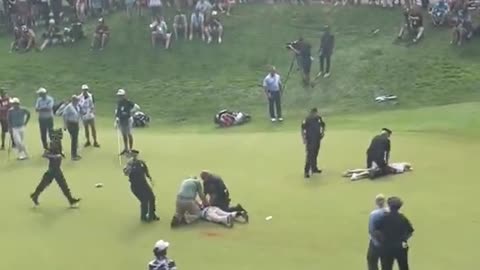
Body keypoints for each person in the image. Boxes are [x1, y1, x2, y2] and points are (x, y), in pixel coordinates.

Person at [30, 128, 81, 207]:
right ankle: (71, 200)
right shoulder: (54, 143)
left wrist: (60, 154)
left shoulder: (57, 142)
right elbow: (46, 154)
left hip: (55, 168)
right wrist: (56, 156)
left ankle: (35, 195)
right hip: (54, 169)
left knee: (45, 183)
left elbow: (56, 152)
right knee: (62, 185)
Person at [374, 196, 414, 270]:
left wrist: (381, 241)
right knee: (403, 266)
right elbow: (410, 231)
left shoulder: (384, 218)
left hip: (387, 246)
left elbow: (376, 231)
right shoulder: (402, 218)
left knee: (386, 267)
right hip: (401, 246)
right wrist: (404, 240)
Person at [123, 149, 159, 222]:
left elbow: (146, 171)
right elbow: (125, 173)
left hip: (144, 184)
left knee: (152, 198)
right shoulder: (129, 164)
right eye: (133, 155)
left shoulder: (141, 163)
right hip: (136, 187)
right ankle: (144, 217)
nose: (135, 156)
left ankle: (152, 214)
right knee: (144, 201)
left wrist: (150, 178)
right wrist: (129, 167)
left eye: (136, 155)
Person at [301, 108, 326, 178]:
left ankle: (314, 168)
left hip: (317, 139)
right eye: (316, 113)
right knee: (309, 155)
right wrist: (303, 138)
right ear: (312, 113)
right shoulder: (307, 119)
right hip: (310, 140)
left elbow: (323, 125)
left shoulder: (319, 118)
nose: (317, 114)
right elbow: (303, 128)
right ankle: (306, 171)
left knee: (315, 153)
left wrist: (323, 132)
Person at [367, 194, 388, 270]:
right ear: (384, 202)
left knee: (372, 261)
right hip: (388, 243)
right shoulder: (391, 212)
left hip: (376, 243)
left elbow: (371, 230)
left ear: (376, 202)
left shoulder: (374, 214)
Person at [115, 89, 138, 155]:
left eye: (121, 96)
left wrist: (131, 112)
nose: (120, 97)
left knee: (129, 134)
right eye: (119, 96)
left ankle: (130, 150)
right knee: (124, 134)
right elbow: (118, 112)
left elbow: (137, 107)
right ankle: (126, 148)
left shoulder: (128, 102)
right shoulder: (119, 103)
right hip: (122, 120)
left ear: (124, 96)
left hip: (128, 120)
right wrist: (117, 119)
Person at [61, 95, 82, 161]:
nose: (77, 101)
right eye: (76, 100)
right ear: (73, 100)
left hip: (76, 124)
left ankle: (75, 153)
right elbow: (64, 115)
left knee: (75, 139)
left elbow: (78, 114)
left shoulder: (77, 106)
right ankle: (73, 155)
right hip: (71, 124)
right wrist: (65, 125)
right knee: (74, 139)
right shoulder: (69, 107)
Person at [342, 162, 413, 181]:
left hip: (381, 165)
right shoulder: (400, 169)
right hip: (383, 168)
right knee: (369, 172)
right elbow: (395, 170)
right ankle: (355, 175)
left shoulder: (400, 164)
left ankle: (351, 171)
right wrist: (407, 170)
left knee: (367, 170)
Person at [35, 87, 54, 152]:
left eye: (40, 94)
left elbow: (49, 108)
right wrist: (43, 108)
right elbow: (36, 109)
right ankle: (46, 148)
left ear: (44, 93)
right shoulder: (39, 100)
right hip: (41, 119)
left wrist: (41, 108)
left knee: (51, 133)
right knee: (43, 134)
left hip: (49, 118)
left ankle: (52, 146)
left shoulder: (50, 99)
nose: (39, 95)